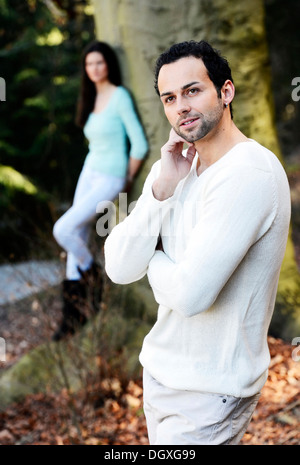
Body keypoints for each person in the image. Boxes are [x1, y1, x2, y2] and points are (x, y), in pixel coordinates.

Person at [104, 40, 291, 445]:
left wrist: (151, 256)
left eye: (193, 91)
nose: (181, 107)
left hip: (210, 391)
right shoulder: (174, 165)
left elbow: (191, 294)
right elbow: (119, 267)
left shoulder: (249, 172)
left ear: (226, 92)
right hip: (161, 374)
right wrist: (160, 192)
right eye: (169, 98)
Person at [52, 41, 148, 341]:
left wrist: (129, 178)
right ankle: (73, 316)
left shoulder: (119, 96)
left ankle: (93, 275)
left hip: (111, 175)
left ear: (108, 64)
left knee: (63, 229)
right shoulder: (91, 96)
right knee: (75, 236)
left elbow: (140, 144)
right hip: (89, 170)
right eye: (89, 64)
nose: (94, 69)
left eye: (99, 63)